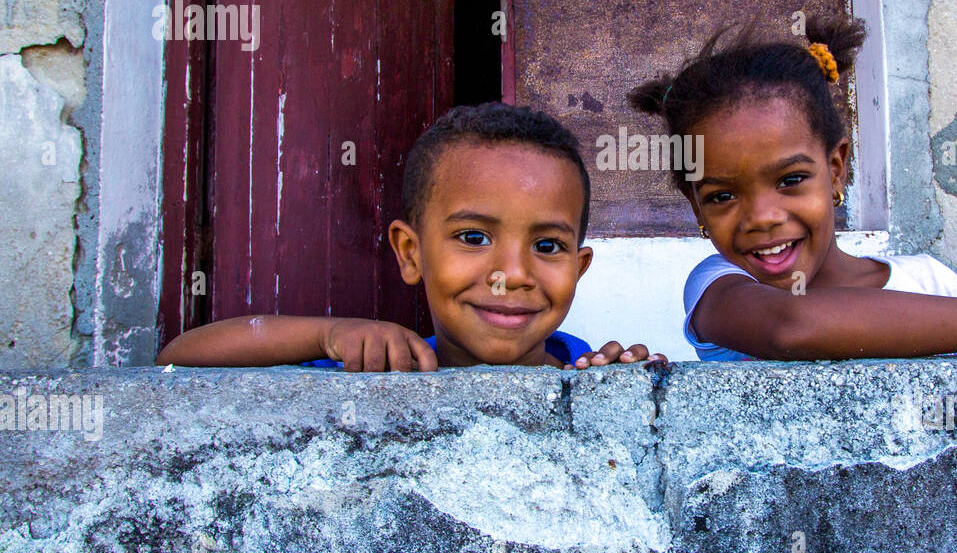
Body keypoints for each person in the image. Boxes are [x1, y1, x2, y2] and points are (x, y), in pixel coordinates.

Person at [627, 14, 957, 362]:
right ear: (694, 204)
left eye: (792, 180)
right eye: (722, 195)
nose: (763, 217)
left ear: (837, 170)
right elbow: (794, 327)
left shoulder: (929, 281)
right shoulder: (719, 286)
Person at [157, 103, 665, 371]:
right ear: (410, 252)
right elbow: (179, 357)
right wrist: (327, 336)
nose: (512, 275)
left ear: (579, 268)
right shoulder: (386, 364)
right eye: (473, 236)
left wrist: (629, 384)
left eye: (548, 246)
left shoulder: (588, 372)